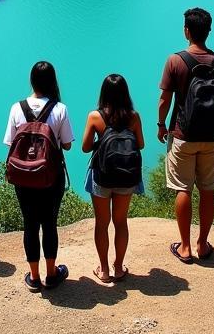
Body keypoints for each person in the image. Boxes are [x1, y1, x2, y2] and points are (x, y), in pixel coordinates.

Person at [157, 7, 214, 264]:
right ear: (208, 31)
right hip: (213, 137)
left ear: (187, 31)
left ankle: (185, 247)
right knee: (207, 189)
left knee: (183, 189)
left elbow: (164, 99)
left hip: (183, 135)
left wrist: (161, 124)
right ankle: (203, 244)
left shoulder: (175, 61)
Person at [3, 61, 73, 291]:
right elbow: (67, 145)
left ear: (31, 81)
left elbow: (10, 144)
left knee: (30, 224)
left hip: (23, 177)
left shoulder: (16, 108)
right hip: (51, 177)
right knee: (49, 223)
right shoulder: (59, 109)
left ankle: (34, 277)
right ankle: (51, 274)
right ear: (53, 82)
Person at [81, 74, 144, 283]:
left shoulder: (95, 117)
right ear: (125, 93)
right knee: (120, 222)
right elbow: (141, 144)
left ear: (104, 93)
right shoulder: (133, 117)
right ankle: (118, 268)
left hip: (102, 176)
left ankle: (104, 270)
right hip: (126, 178)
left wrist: (102, 140)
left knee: (102, 223)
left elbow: (85, 147)